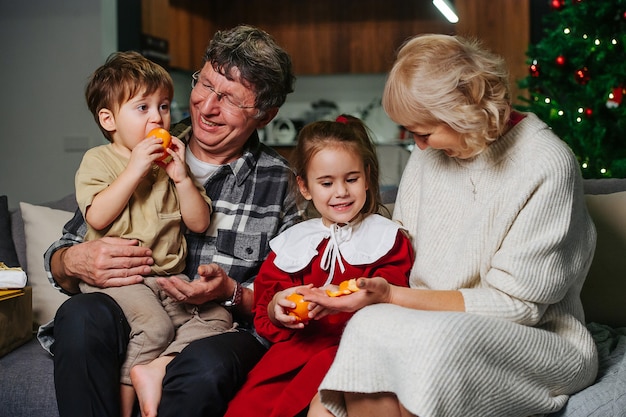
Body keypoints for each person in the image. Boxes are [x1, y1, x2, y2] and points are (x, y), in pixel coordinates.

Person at [303, 34, 599, 417]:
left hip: (540, 336)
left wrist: (392, 297)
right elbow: (401, 253)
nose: (419, 146)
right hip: (427, 320)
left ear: (467, 110)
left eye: (424, 133)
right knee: (367, 327)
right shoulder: (430, 157)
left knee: (434, 345)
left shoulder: (547, 164)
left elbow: (517, 306)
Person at [40, 25, 301, 417]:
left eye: (229, 99)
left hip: (217, 326)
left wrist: (230, 291)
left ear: (265, 115)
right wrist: (73, 261)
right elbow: (65, 248)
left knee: (205, 365)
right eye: (205, 85)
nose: (207, 107)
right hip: (135, 306)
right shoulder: (138, 148)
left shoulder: (281, 183)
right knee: (79, 317)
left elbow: (287, 295)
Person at [75, 50, 236, 417]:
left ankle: (156, 367)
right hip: (120, 279)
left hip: (166, 279)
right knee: (154, 326)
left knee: (218, 319)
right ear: (108, 119)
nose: (158, 117)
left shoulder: (169, 165)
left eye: (163, 106)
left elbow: (198, 223)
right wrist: (134, 168)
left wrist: (180, 177)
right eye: (142, 108)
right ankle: (127, 407)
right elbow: (98, 216)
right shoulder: (100, 160)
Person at [224, 115, 415, 417]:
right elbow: (266, 300)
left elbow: (395, 289)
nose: (340, 192)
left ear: (366, 176)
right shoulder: (294, 241)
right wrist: (277, 307)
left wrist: (351, 295)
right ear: (305, 186)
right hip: (294, 353)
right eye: (326, 183)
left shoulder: (387, 237)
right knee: (248, 406)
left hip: (354, 351)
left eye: (351, 179)